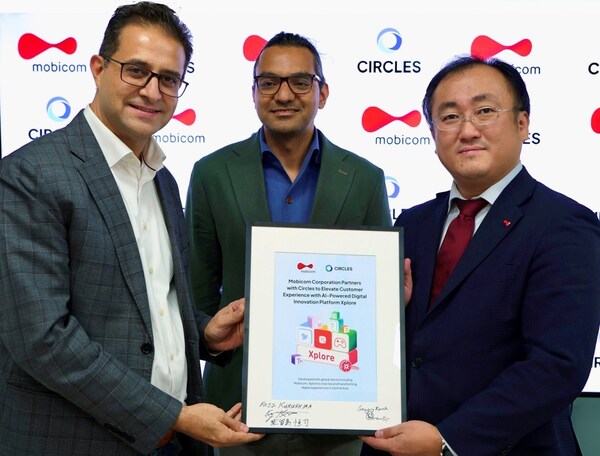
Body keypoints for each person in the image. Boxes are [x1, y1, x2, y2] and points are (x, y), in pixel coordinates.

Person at [0, 2, 263, 455]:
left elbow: (150, 307)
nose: (152, 91)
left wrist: (204, 335)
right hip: (75, 441)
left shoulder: (163, 180)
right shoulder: (31, 175)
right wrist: (173, 415)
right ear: (98, 68)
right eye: (136, 71)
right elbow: (43, 339)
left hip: (173, 442)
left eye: (169, 79)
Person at [361, 55, 600, 456]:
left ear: (522, 123)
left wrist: (447, 440)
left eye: (485, 111)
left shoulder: (564, 225)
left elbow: (557, 365)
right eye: (450, 117)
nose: (467, 129)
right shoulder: (412, 223)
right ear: (433, 133)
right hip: (396, 446)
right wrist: (386, 317)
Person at [186, 31, 390, 455]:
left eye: (300, 82)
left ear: (323, 93)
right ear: (254, 92)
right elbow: (195, 298)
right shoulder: (211, 173)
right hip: (236, 413)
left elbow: (376, 302)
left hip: (337, 410)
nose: (283, 94)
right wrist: (210, 336)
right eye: (269, 82)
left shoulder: (365, 178)